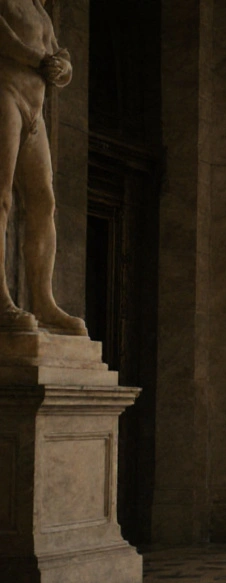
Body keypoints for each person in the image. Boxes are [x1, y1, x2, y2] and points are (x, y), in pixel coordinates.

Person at [0, 0, 85, 335]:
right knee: (2, 198)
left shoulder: (39, 10)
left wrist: (61, 68)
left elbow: (60, 54)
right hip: (5, 93)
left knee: (44, 202)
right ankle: (2, 298)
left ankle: (43, 301)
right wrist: (39, 60)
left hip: (35, 110)